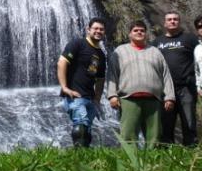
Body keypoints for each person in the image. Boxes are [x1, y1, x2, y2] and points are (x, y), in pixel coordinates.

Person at [107, 20, 175, 148]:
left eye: (142, 30)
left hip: (153, 100)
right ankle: (130, 162)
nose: (139, 32)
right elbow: (112, 74)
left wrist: (169, 97)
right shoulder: (120, 51)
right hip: (128, 99)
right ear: (129, 34)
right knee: (128, 134)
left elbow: (166, 75)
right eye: (136, 30)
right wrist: (112, 95)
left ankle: (154, 162)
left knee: (154, 134)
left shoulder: (155, 51)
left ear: (146, 34)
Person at [151, 11, 200, 146]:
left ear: (179, 22)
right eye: (169, 19)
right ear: (164, 23)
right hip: (165, 89)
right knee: (166, 123)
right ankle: (167, 155)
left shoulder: (190, 39)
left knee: (189, 122)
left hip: (186, 88)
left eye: (175, 19)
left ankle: (192, 151)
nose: (172, 21)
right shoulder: (157, 42)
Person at [57, 17, 107, 147]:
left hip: (89, 97)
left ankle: (84, 155)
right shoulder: (78, 44)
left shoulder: (101, 54)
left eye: (101, 29)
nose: (98, 31)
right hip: (75, 95)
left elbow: (101, 79)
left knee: (87, 128)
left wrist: (97, 99)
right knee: (81, 123)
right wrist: (64, 88)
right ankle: (79, 155)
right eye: (95, 28)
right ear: (88, 30)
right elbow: (62, 62)